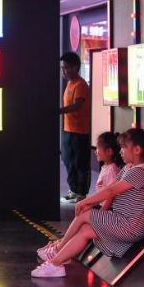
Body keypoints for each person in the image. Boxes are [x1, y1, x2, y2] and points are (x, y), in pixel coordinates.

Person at [32, 128, 144, 278]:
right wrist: (92, 204)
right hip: (123, 222)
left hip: (129, 226)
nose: (120, 151)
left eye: (124, 148)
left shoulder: (140, 171)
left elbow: (111, 192)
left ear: (137, 150)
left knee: (84, 214)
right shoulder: (129, 168)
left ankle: (57, 250)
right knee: (85, 230)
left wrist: (85, 202)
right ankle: (58, 262)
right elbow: (110, 188)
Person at [59, 52, 91, 203]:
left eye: (66, 68)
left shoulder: (81, 84)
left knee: (80, 163)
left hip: (80, 131)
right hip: (68, 129)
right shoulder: (69, 84)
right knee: (67, 160)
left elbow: (77, 105)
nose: (64, 71)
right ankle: (73, 190)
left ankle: (82, 194)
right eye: (62, 68)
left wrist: (58, 111)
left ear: (75, 67)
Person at [94, 131, 122, 208]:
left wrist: (101, 212)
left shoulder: (112, 170)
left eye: (98, 148)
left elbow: (111, 195)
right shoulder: (106, 167)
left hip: (109, 208)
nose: (96, 151)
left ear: (109, 151)